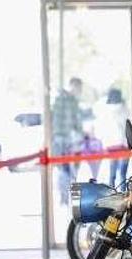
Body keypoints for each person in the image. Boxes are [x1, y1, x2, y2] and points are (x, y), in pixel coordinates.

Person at [52, 77, 84, 205]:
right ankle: (68, 198)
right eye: (79, 88)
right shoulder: (69, 101)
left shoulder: (59, 99)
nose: (79, 91)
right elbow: (75, 121)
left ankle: (65, 198)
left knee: (65, 170)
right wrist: (79, 134)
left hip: (62, 139)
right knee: (69, 170)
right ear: (73, 86)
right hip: (67, 140)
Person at [96, 88, 130, 188]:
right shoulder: (125, 110)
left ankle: (112, 192)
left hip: (111, 145)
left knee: (112, 174)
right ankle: (124, 194)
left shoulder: (105, 111)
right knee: (123, 174)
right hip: (124, 144)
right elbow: (129, 128)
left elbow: (101, 130)